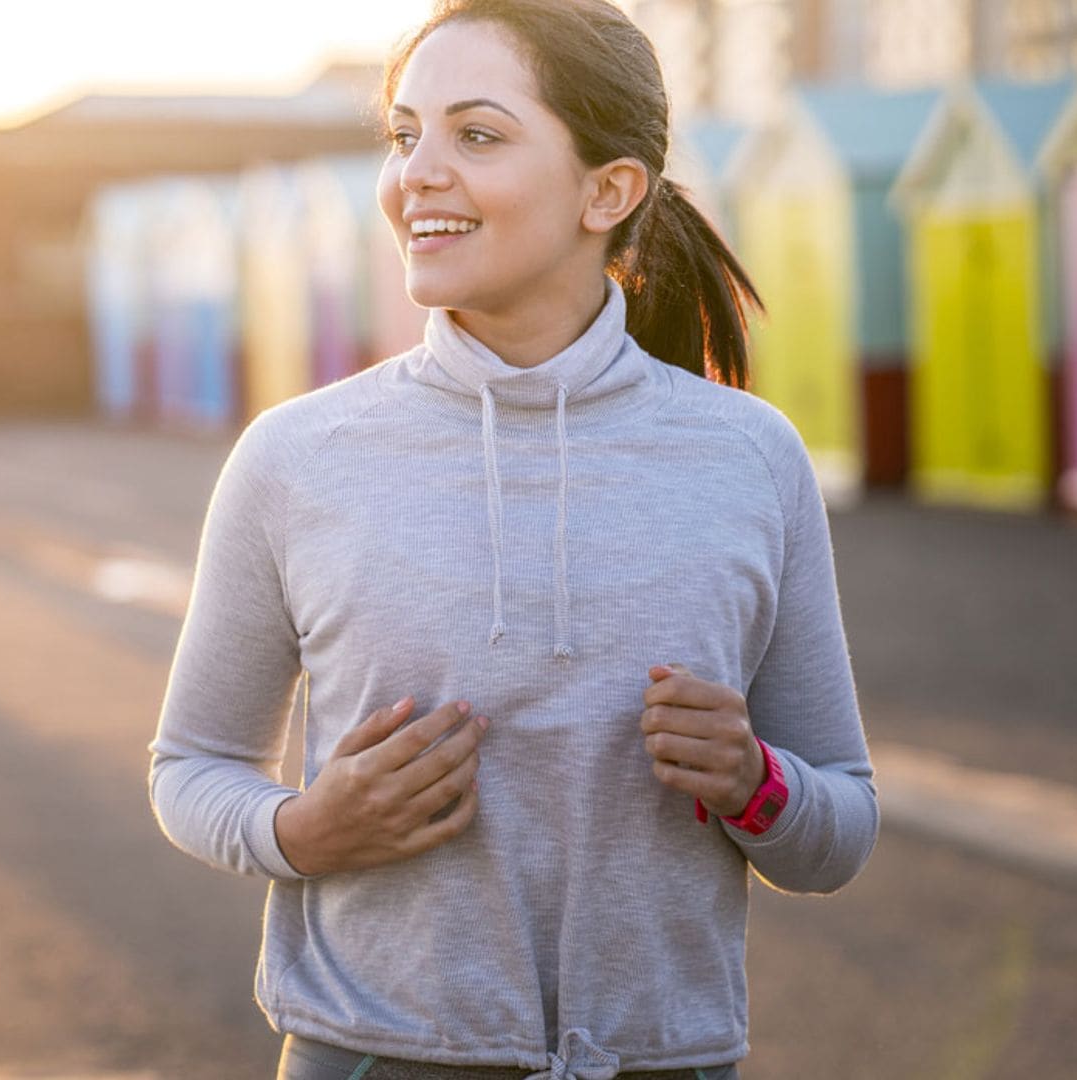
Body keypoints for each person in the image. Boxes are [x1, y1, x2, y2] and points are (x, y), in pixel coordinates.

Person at [147, 3, 877, 1079]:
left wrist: (753, 782)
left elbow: (840, 827)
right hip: (367, 1057)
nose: (417, 175)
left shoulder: (749, 459)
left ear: (608, 190)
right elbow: (192, 767)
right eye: (405, 136)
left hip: (668, 1059)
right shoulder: (295, 458)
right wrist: (303, 831)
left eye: (475, 135)